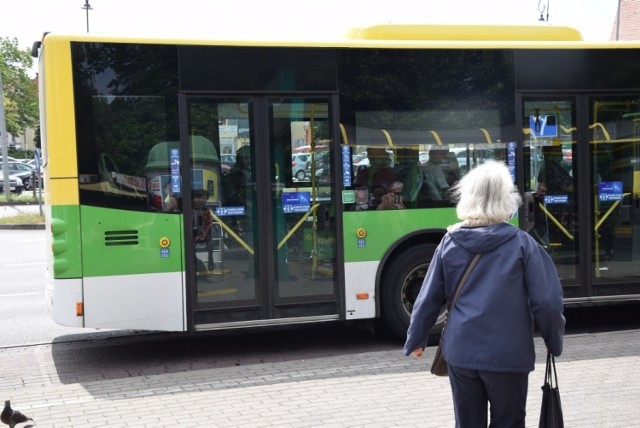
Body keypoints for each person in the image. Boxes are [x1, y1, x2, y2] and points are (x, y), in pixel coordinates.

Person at [404, 160, 565, 428]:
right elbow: (547, 303)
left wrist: (416, 339)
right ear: (506, 198)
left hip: (461, 353)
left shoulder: (449, 242)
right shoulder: (522, 244)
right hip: (508, 355)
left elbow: (429, 297)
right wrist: (553, 339)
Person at [192, 189, 214, 271]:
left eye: (205, 198)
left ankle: (210, 261)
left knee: (210, 244)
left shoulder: (206, 210)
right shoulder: (189, 209)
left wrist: (203, 234)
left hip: (204, 234)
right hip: (191, 234)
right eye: (202, 198)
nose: (204, 200)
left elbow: (208, 223)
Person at [529, 182, 551, 249]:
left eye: (544, 192)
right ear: (536, 190)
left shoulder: (541, 201)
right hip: (534, 228)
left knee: (547, 247)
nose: (543, 194)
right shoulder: (531, 200)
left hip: (541, 228)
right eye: (542, 191)